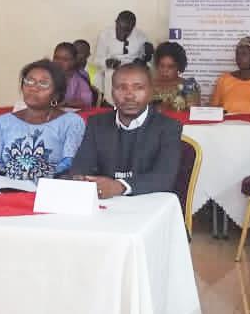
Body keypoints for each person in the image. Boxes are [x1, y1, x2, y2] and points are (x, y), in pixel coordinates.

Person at [70, 63, 183, 199]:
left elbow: (164, 177)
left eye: (138, 88)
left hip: (148, 203)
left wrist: (120, 186)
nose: (129, 96)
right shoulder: (97, 123)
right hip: (104, 202)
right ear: (112, 92)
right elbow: (81, 166)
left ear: (150, 92)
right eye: (122, 88)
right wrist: (80, 178)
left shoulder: (168, 127)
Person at [0, 59, 86, 181]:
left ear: (56, 94)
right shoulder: (3, 122)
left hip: (49, 190)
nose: (33, 88)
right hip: (6, 189)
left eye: (43, 83)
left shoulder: (71, 122)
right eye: (29, 81)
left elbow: (71, 166)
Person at [93, 11, 150, 100]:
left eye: (127, 30)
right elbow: (97, 60)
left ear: (133, 27)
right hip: (112, 70)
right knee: (108, 77)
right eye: (120, 28)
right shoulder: (105, 35)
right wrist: (107, 62)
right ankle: (110, 102)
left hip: (133, 72)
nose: (123, 32)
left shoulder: (141, 37)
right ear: (116, 23)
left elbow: (147, 62)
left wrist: (143, 62)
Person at [210, 36, 250, 115]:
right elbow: (214, 109)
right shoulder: (224, 79)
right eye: (237, 54)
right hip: (226, 122)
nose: (239, 58)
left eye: (244, 54)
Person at [151, 41, 201, 112]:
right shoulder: (147, 85)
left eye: (171, 67)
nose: (165, 70)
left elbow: (194, 113)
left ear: (179, 66)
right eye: (162, 65)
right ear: (157, 64)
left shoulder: (189, 86)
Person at [52, 42, 94, 109]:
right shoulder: (48, 74)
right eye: (56, 58)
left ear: (74, 61)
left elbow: (87, 101)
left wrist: (66, 103)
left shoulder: (80, 78)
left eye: (65, 59)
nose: (59, 62)